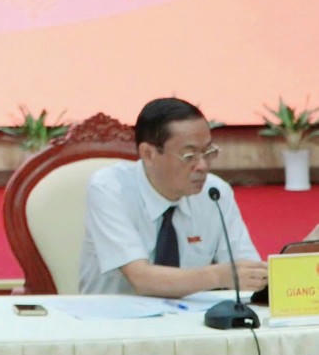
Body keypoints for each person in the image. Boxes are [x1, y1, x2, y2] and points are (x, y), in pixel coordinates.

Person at [79, 97, 267, 296]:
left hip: (191, 313)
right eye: (189, 156)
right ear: (148, 154)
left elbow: (246, 268)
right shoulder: (110, 189)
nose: (202, 166)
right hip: (113, 313)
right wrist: (217, 276)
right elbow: (140, 278)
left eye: (208, 152)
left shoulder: (215, 192)